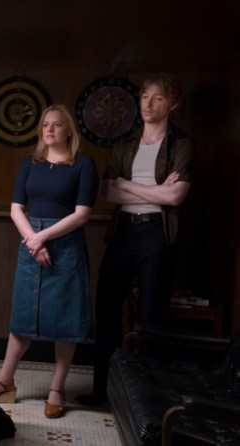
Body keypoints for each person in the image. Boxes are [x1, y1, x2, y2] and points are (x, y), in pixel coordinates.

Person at [76, 73, 194, 406]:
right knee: (107, 308)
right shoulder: (125, 143)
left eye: (157, 98)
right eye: (144, 97)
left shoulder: (181, 143)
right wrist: (155, 190)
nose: (148, 104)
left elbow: (175, 197)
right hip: (124, 230)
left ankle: (148, 399)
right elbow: (106, 190)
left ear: (173, 104)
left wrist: (127, 185)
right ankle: (103, 390)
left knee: (152, 315)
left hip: (157, 233)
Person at [0, 104, 98, 419]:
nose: (50, 129)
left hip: (66, 245)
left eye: (57, 124)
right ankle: (5, 381)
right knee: (24, 313)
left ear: (69, 130)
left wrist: (40, 238)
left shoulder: (84, 164)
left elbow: (82, 215)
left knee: (65, 319)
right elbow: (16, 208)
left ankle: (57, 389)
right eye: (46, 124)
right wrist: (34, 240)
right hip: (31, 241)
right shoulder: (30, 162)